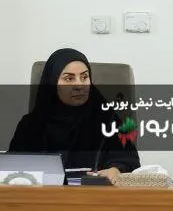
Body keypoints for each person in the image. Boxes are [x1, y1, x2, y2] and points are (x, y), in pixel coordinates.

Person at [8, 48, 140, 184]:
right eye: (69, 78)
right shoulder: (30, 126)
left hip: (96, 195)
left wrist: (116, 170)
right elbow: (10, 170)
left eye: (84, 77)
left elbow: (130, 161)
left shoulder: (108, 120)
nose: (79, 85)